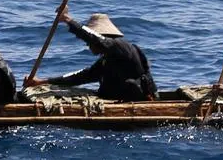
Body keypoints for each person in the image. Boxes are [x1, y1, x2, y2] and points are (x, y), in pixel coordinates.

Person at [25, 10, 157, 101]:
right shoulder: (107, 59)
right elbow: (82, 76)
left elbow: (94, 39)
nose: (88, 46)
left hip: (137, 99)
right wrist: (42, 82)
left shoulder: (119, 46)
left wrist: (68, 20)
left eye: (90, 43)